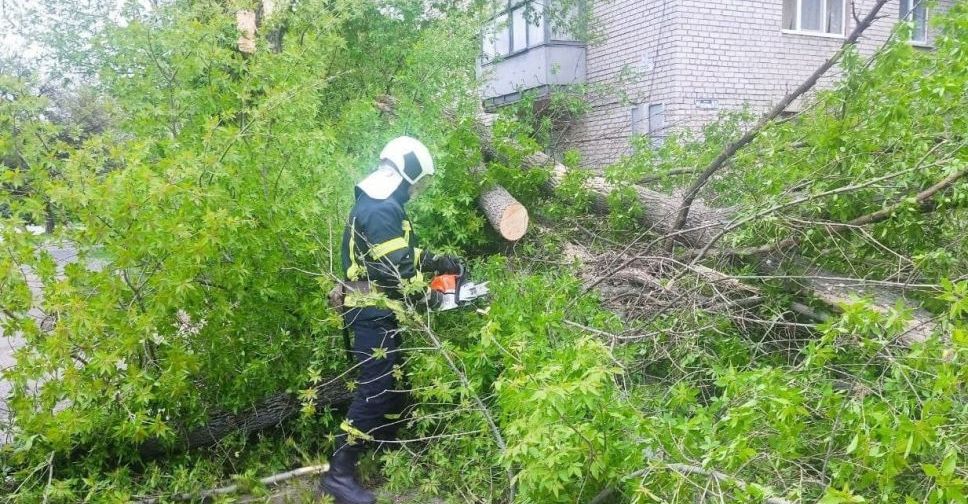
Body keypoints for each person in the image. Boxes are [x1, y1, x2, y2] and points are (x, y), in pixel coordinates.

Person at [319, 136, 462, 504]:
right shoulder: (382, 208)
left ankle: (388, 447)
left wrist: (437, 262)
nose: (418, 189)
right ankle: (339, 472)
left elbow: (403, 253)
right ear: (406, 172)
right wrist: (431, 294)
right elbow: (394, 268)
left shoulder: (383, 204)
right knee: (377, 388)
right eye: (419, 181)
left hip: (379, 309)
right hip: (371, 311)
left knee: (395, 382)